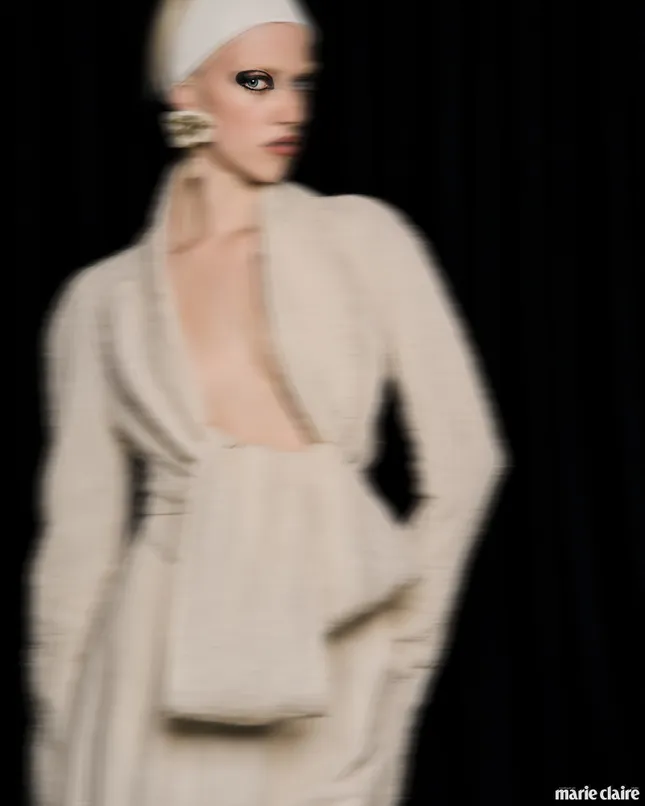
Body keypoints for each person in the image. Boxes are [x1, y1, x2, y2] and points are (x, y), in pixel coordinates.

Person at [26, 0, 510, 804]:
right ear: (186, 92)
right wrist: (59, 747)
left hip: (326, 657)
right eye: (257, 81)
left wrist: (401, 644)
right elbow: (76, 554)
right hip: (146, 678)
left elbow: (467, 459)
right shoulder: (102, 304)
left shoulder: (362, 240)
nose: (290, 109)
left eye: (300, 83)